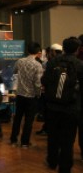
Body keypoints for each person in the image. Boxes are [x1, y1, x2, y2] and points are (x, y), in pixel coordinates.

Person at [42, 37, 83, 172]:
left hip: (52, 106)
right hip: (71, 108)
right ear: (77, 49)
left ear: (63, 48)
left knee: (53, 136)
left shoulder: (53, 62)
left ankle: (52, 161)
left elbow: (45, 80)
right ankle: (65, 167)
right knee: (68, 140)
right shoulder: (79, 64)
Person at [10, 41, 43, 148]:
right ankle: (24, 142)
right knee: (29, 120)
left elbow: (14, 72)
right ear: (38, 52)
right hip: (31, 96)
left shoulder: (20, 61)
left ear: (27, 50)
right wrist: (38, 94)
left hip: (20, 94)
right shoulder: (38, 65)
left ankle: (13, 139)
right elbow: (37, 83)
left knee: (18, 118)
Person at [36, 43, 63, 136]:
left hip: (50, 93)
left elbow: (45, 79)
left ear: (53, 52)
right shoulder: (67, 62)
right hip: (61, 94)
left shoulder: (51, 63)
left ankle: (50, 130)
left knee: (48, 113)